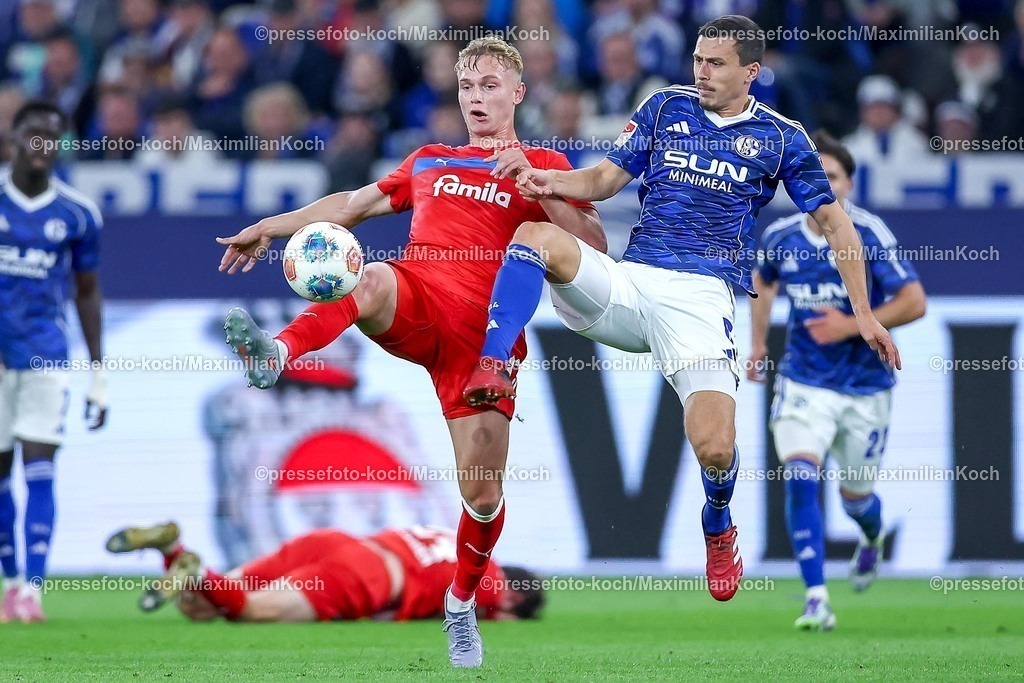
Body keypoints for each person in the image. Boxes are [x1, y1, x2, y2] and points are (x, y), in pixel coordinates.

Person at [462, 15, 901, 603]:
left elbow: (836, 225)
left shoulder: (780, 137)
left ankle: (717, 521)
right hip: (632, 281)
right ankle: (492, 364)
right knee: (535, 240)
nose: (702, 71)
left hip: (703, 297)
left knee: (716, 447)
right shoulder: (665, 107)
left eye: (716, 63)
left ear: (752, 71)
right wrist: (541, 180)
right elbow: (603, 179)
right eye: (697, 59)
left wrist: (866, 315)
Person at [214, 37, 603, 667]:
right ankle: (279, 353)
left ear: (517, 93)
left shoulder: (544, 162)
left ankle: (460, 604)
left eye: (489, 86)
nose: (477, 98)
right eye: (467, 87)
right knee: (363, 275)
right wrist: (271, 225)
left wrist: (539, 185)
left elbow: (594, 245)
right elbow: (351, 207)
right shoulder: (429, 162)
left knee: (481, 496)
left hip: (483, 346)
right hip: (417, 298)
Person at [748, 132, 925, 631]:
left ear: (850, 184)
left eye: (834, 176)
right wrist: (759, 343)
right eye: (814, 175)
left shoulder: (869, 233)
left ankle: (871, 538)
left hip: (865, 388)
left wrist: (850, 325)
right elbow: (763, 284)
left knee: (857, 500)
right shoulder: (780, 237)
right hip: (804, 381)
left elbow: (915, 300)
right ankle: (816, 597)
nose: (823, 185)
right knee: (801, 475)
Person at [0, 100, 107, 623]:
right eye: (33, 134)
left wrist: (99, 373)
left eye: (53, 136)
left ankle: (32, 592)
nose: (42, 144)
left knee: (39, 466)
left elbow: (87, 292)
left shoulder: (78, 213)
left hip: (44, 355)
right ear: (15, 138)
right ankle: (10, 580)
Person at [105, 522, 545, 623]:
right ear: (515, 597)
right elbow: (484, 611)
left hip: (337, 542)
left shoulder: (454, 535)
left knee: (200, 608)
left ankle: (172, 549)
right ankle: (195, 569)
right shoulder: (492, 583)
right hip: (363, 576)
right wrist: (501, 614)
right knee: (250, 611)